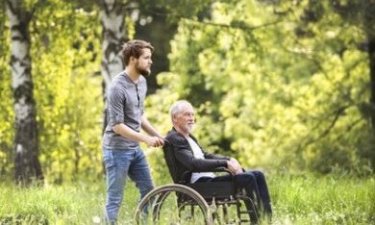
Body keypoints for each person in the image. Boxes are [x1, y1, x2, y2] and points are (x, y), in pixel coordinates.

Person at [165, 100, 272, 220]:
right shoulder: (174, 138)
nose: (191, 118)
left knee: (258, 174)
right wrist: (225, 163)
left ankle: (267, 219)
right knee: (248, 178)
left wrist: (229, 159)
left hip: (207, 181)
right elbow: (193, 164)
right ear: (175, 118)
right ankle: (257, 221)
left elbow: (206, 156)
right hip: (195, 186)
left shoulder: (189, 137)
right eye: (187, 115)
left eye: (192, 114)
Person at [102, 39, 164, 224]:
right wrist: (146, 139)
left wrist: (157, 135)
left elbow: (139, 116)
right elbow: (117, 126)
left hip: (133, 148)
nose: (150, 61)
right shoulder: (117, 87)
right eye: (146, 58)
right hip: (116, 150)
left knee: (149, 191)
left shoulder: (142, 82)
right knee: (114, 199)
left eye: (150, 57)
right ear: (132, 59)